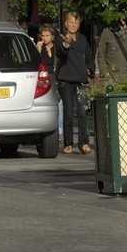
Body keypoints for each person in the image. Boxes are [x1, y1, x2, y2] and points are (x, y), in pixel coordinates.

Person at [56, 10, 94, 155]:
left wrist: (89, 69)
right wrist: (66, 45)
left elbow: (90, 57)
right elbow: (60, 53)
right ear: (66, 24)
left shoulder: (83, 39)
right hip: (66, 80)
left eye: (76, 22)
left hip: (81, 80)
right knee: (68, 114)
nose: (73, 25)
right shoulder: (61, 39)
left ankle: (84, 143)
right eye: (71, 22)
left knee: (82, 112)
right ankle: (68, 144)